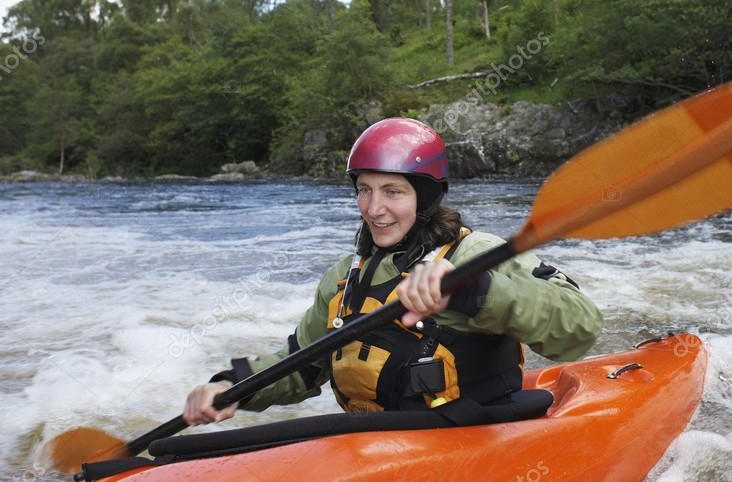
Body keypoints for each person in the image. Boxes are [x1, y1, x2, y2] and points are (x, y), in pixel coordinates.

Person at [184, 117, 604, 424]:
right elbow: (303, 362)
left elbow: (580, 327)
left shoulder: (476, 254)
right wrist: (231, 388)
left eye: (393, 192)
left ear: (424, 199)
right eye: (364, 190)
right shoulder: (344, 278)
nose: (373, 208)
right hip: (378, 447)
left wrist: (475, 292)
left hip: (473, 441)